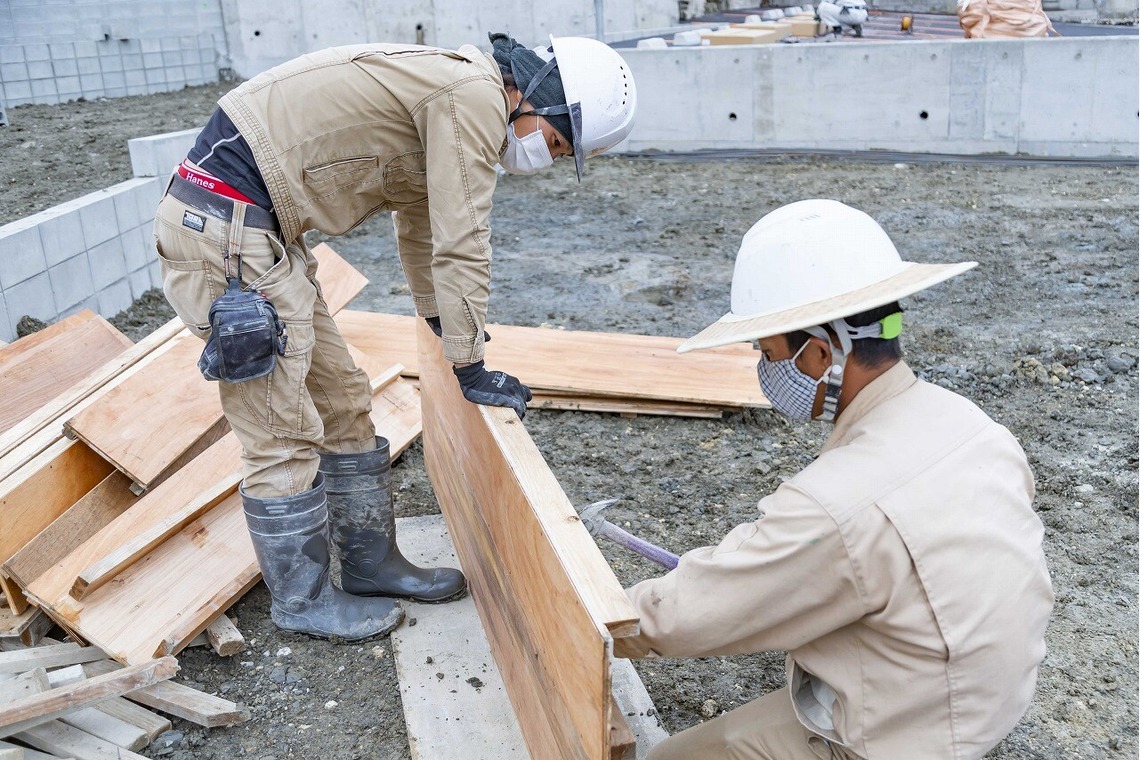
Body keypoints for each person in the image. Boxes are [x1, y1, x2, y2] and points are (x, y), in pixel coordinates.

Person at [153, 33, 637, 642]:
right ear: (537, 97)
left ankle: (368, 564)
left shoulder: (455, 95)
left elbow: (423, 221)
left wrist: (444, 323)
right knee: (280, 425)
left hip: (261, 230)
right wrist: (470, 363)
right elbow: (463, 237)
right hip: (225, 228)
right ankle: (301, 602)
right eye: (558, 141)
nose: (548, 156)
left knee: (343, 398)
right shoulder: (473, 96)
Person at [615, 199, 1054, 759]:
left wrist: (595, 617)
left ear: (820, 353)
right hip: (984, 698)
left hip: (909, 736)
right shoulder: (973, 426)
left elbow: (685, 617)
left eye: (769, 352)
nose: (765, 370)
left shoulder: (838, 504)